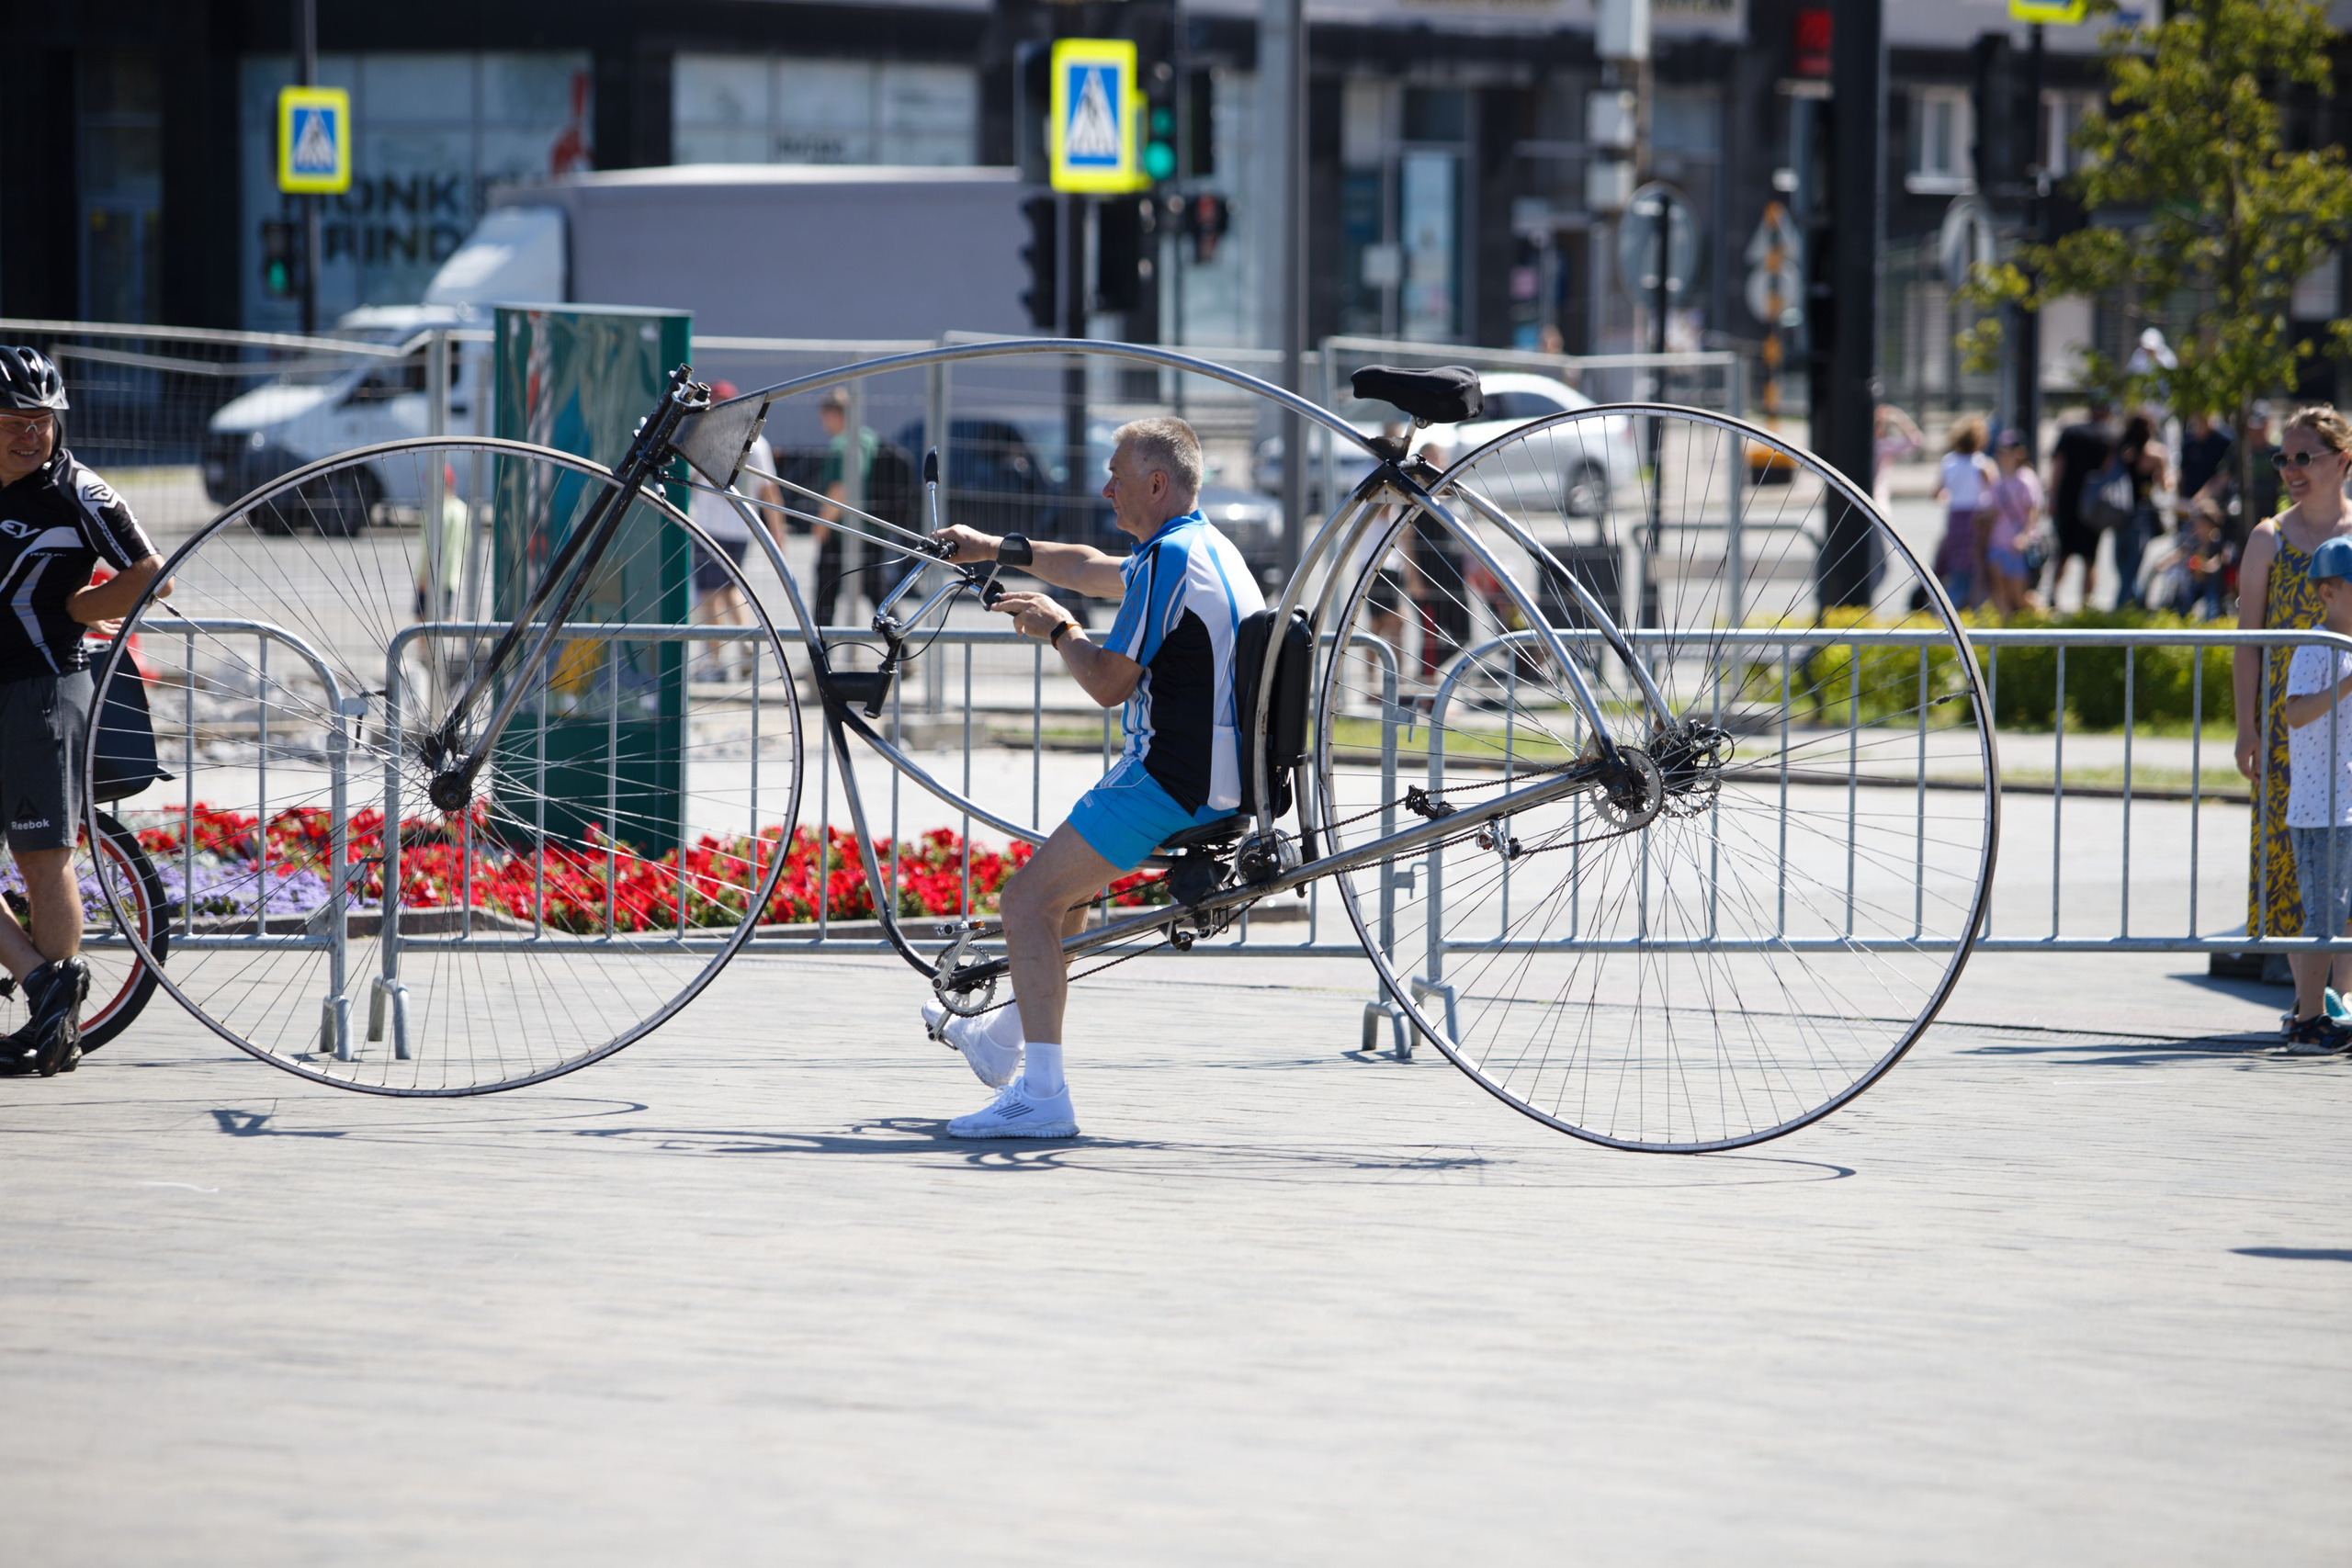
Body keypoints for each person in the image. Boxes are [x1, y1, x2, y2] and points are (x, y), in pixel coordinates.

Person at [922, 417, 1262, 1137]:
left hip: (1174, 779)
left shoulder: (1171, 558)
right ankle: (1004, 1044)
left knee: (1025, 903)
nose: (1105, 487)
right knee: (1061, 896)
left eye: (1116, 474)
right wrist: (994, 549)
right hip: (1210, 772)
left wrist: (1058, 630)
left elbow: (1109, 682)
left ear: (1157, 483)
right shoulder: (1199, 547)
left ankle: (1043, 1097)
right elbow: (1083, 564)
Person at [0, 346, 172, 1077]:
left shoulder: (78, 490)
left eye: (42, 420)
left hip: (43, 689)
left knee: (42, 859)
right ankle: (47, 983)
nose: (30, 434)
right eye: (13, 420)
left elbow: (150, 574)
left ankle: (54, 1028)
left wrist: (80, 605)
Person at [2235, 405, 2352, 960]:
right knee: (2288, 852)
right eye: (2284, 458)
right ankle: (2302, 992)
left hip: (2351, 731)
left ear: (2344, 460)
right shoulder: (2269, 538)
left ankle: (2343, 996)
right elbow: (2248, 645)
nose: (2291, 469)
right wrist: (2245, 727)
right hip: (2290, 733)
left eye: (2306, 457)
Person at [2275, 535, 2352, 1053]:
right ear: (2327, 592)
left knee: (2334, 912)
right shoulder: (2317, 646)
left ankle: (2323, 1006)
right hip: (2319, 806)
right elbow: (2295, 712)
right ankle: (2307, 1018)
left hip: (2343, 803)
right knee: (2322, 917)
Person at [686, 381, 782, 680]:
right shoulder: (758, 440)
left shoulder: (704, 434)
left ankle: (715, 661)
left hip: (712, 525)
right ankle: (744, 647)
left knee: (708, 594)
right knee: (730, 590)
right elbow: (769, 490)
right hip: (741, 525)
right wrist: (777, 533)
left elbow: (688, 478)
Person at [813, 388, 883, 629]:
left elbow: (841, 490)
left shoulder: (841, 445)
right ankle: (903, 647)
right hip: (871, 531)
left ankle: (820, 657)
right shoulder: (869, 439)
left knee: (825, 596)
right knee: (879, 595)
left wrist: (821, 525)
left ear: (833, 414)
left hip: (841, 534)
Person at [2048, 399, 2116, 609]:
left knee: (2062, 554)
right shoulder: (2110, 436)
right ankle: (2086, 605)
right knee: (2090, 558)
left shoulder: (2071, 432)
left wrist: (2052, 496)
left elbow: (2058, 466)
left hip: (2068, 501)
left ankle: (2052, 597)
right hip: (2094, 505)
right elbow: (2110, 471)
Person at [1933, 418, 1998, 608]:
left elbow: (1937, 492)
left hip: (1955, 516)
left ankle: (1954, 603)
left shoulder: (1948, 461)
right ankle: (1973, 604)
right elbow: (1995, 492)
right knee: (1976, 563)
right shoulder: (1982, 464)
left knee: (1956, 562)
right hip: (1977, 517)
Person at [2110, 412, 2171, 610]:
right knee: (2132, 565)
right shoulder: (2155, 455)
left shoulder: (2122, 453)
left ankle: (2128, 604)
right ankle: (2127, 605)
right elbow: (2164, 486)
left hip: (2121, 512)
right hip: (2142, 513)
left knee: (2123, 563)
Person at [1984, 428, 2046, 617]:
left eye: (2006, 451)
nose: (2002, 456)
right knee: (1999, 593)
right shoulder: (1998, 480)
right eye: (2000, 451)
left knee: (2019, 596)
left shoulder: (2025, 478)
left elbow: (2033, 510)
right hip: (1998, 542)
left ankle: (2048, 622)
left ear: (2018, 453)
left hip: (2017, 545)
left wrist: (2025, 536)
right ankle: (2005, 636)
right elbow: (1993, 511)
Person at [2177, 412, 2233, 506]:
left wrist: (2201, 498)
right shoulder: (2189, 443)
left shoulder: (2223, 443)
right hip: (2189, 503)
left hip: (2213, 505)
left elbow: (2223, 476)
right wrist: (2181, 501)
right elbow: (2182, 475)